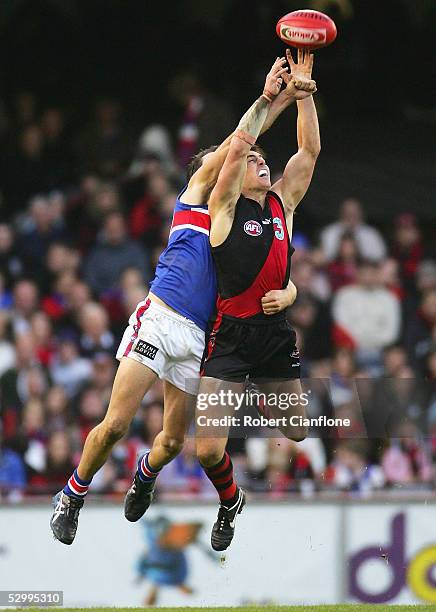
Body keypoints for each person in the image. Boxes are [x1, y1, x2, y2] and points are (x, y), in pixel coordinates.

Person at [50, 58, 308, 545]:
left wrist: (291, 291)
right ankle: (72, 495)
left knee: (171, 441)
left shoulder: (247, 218)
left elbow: (277, 269)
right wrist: (270, 98)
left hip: (203, 337)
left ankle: (147, 474)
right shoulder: (193, 197)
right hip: (161, 319)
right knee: (116, 424)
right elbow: (237, 143)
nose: (232, 161)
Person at [196, 49, 319, 551]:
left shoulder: (282, 204)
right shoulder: (221, 208)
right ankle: (231, 501)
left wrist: (305, 98)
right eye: (253, 160)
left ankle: (249, 392)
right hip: (229, 337)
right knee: (206, 451)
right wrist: (270, 98)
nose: (261, 162)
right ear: (234, 172)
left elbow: (307, 154)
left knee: (296, 433)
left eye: (264, 159)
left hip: (270, 337)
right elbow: (241, 144)